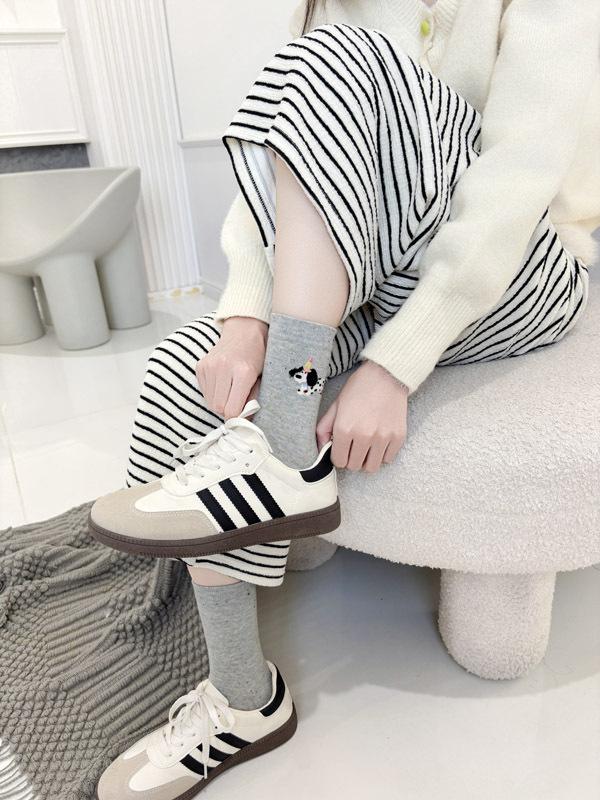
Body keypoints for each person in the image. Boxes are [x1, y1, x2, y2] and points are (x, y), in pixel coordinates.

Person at [95, 1, 600, 797]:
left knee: (337, 57)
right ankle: (243, 700)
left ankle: (282, 454)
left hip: (520, 270)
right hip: (378, 267)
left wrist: (395, 364)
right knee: (184, 369)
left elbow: (518, 179)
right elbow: (293, 162)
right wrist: (243, 312)